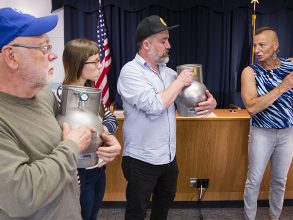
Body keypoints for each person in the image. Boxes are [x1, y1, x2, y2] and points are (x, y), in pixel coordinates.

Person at [0, 8, 121, 220]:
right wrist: (72, 147)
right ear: (11, 56)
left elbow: (72, 132)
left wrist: (102, 143)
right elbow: (21, 196)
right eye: (43, 47)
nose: (53, 54)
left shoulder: (44, 96)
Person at [117, 15, 217, 220]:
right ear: (146, 44)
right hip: (141, 158)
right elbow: (155, 106)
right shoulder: (130, 72)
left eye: (168, 40)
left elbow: (191, 101)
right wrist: (179, 82)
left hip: (168, 157)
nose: (169, 45)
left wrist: (210, 101)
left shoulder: (169, 73)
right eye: (163, 41)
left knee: (163, 206)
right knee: (137, 211)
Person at [241, 27, 293, 220]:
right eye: (255, 46)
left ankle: (274, 217)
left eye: (262, 45)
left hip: (288, 132)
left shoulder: (291, 64)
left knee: (279, 180)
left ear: (275, 45)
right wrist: (283, 87)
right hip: (262, 132)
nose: (257, 50)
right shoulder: (250, 72)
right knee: (254, 180)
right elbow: (251, 107)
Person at [55, 39, 118, 220]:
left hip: (98, 167)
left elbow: (112, 119)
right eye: (96, 61)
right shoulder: (61, 97)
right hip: (78, 171)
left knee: (93, 213)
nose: (101, 65)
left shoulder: (92, 93)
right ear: (78, 63)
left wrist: (100, 132)